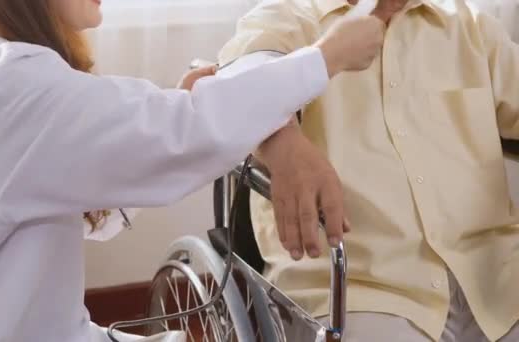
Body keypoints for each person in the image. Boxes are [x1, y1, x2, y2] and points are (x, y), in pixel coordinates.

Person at [0, 0, 388, 341]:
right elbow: (185, 130)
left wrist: (181, 98)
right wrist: (326, 57)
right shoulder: (12, 84)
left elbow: (132, 143)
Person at [219, 0, 519, 341]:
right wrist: (281, 140)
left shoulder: (470, 26)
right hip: (361, 291)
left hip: (497, 277)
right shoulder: (287, 18)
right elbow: (238, 88)